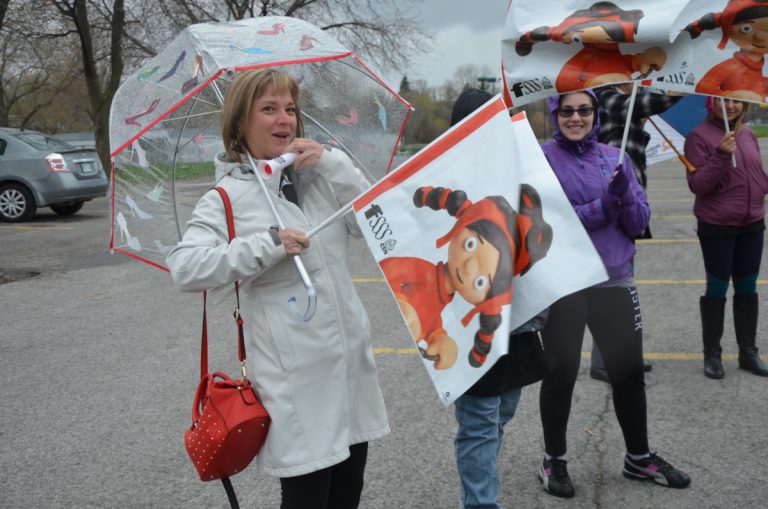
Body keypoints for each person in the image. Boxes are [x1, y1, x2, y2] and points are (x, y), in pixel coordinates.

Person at [166, 68, 389, 509]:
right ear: (239, 124)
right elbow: (185, 268)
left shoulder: (321, 178)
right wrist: (266, 246)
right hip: (296, 382)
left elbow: (378, 223)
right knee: (308, 498)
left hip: (348, 370)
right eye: (268, 109)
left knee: (348, 494)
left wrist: (335, 164)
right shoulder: (225, 198)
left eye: (290, 108)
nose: (283, 119)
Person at [536, 90, 691, 498]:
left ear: (595, 114)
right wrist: (604, 205)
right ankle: (554, 459)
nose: (576, 117)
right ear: (555, 114)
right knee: (560, 375)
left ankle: (638, 458)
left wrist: (623, 193)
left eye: (584, 110)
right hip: (565, 284)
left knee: (627, 374)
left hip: (615, 280)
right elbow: (553, 222)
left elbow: (639, 222)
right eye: (566, 111)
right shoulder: (542, 159)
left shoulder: (614, 155)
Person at [446, 88, 555, 509]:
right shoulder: (451, 182)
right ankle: (480, 503)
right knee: (478, 423)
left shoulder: (523, 171)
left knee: (500, 415)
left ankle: (481, 489)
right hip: (477, 326)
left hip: (522, 322)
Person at [588, 83, 682, 382]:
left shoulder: (625, 104)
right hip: (611, 211)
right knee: (614, 289)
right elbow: (633, 104)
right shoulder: (606, 96)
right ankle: (605, 362)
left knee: (622, 286)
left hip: (628, 212)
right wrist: (680, 90)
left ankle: (620, 356)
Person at [683, 95, 768, 379]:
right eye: (724, 101)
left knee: (747, 288)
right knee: (717, 289)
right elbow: (699, 185)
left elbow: (755, 175)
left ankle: (748, 352)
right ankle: (713, 354)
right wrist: (720, 154)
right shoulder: (698, 137)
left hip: (752, 222)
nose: (731, 106)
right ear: (711, 104)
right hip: (718, 225)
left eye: (736, 101)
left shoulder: (748, 134)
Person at [684, 0, 768, 102]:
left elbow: (756, 82)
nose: (760, 37)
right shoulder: (729, 66)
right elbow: (703, 87)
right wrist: (732, 96)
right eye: (746, 28)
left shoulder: (759, 67)